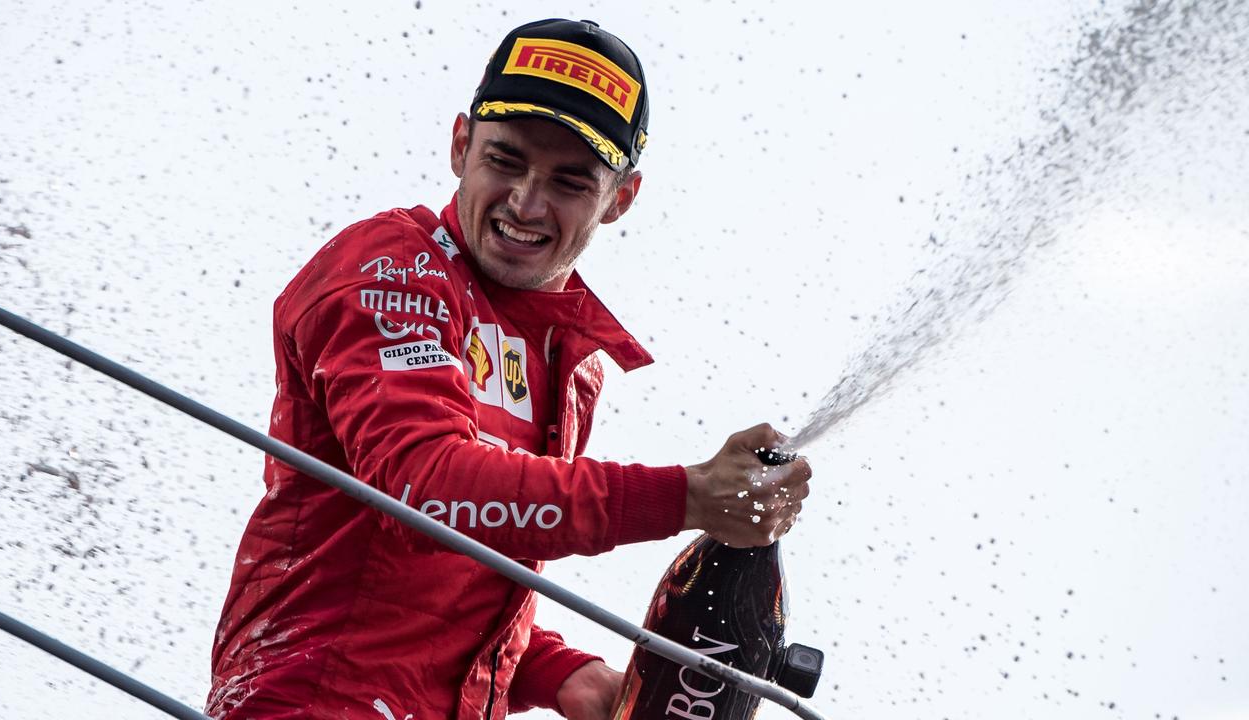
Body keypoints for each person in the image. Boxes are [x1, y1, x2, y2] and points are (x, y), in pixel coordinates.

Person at [206, 18, 812, 720]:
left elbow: (460, 582)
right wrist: (688, 498)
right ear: (460, 145)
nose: (526, 202)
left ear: (620, 200)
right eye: (505, 160)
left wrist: (568, 675)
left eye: (569, 181)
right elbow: (424, 490)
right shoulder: (391, 267)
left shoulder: (573, 364)